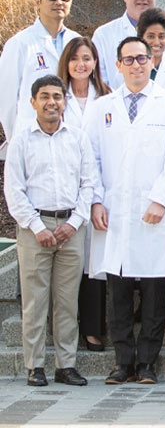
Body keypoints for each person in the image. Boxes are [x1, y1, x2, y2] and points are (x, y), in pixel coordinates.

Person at [84, 36, 165, 385]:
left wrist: (160, 198)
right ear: (117, 65)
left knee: (156, 294)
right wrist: (96, 199)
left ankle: (147, 363)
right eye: (128, 60)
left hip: (153, 213)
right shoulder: (102, 107)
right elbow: (92, 158)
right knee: (119, 294)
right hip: (114, 214)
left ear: (151, 61)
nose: (136, 65)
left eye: (142, 58)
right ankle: (122, 362)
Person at [5, 75, 92, 387]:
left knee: (68, 301)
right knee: (35, 301)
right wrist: (37, 227)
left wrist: (74, 222)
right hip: (34, 229)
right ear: (33, 102)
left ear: (64, 102)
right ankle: (35, 365)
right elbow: (14, 189)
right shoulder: (21, 140)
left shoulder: (78, 138)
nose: (52, 102)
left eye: (57, 96)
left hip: (72, 228)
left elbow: (88, 183)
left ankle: (66, 365)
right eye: (45, 96)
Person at [55, 38, 109, 353]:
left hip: (98, 188)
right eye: (75, 59)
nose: (81, 65)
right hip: (63, 188)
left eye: (86, 58)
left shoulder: (106, 97)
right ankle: (63, 328)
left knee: (94, 265)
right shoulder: (54, 97)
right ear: (67, 62)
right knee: (66, 264)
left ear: (95, 62)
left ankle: (92, 330)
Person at [0, 0, 80, 137]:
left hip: (72, 133)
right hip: (31, 134)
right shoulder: (19, 43)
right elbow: (6, 98)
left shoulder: (78, 42)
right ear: (38, 2)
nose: (59, 2)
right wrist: (15, 137)